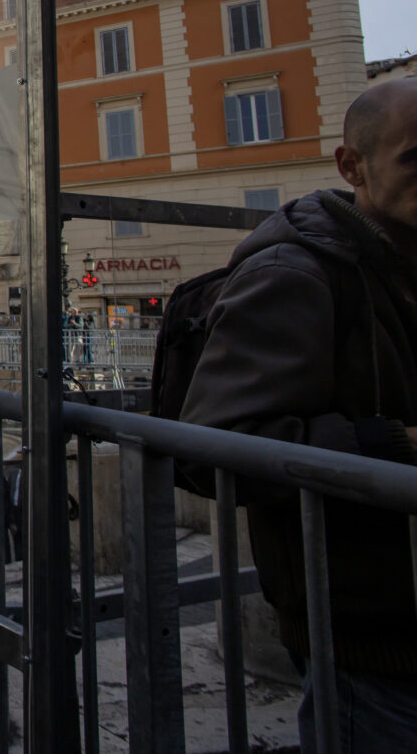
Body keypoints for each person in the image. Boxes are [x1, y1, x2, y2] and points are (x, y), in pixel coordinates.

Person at [181, 78, 417, 753]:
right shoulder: (296, 268)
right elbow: (212, 445)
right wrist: (392, 443)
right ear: (353, 166)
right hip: (370, 637)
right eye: (414, 157)